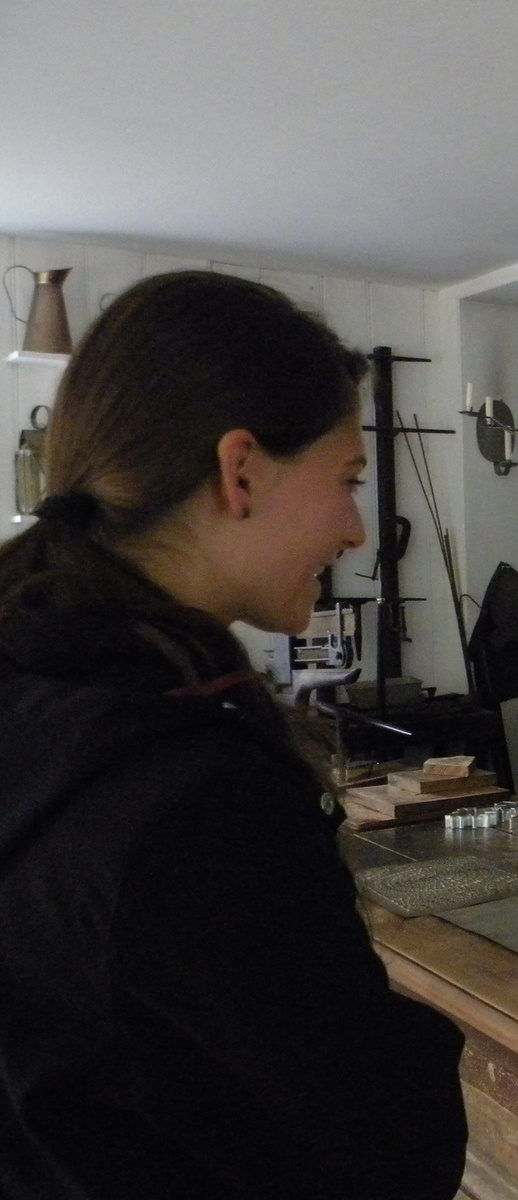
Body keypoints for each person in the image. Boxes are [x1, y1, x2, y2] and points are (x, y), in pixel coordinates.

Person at [0, 272, 467, 1199]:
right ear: (240, 470)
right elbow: (388, 1150)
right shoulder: (192, 797)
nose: (355, 530)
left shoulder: (35, 692)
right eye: (346, 481)